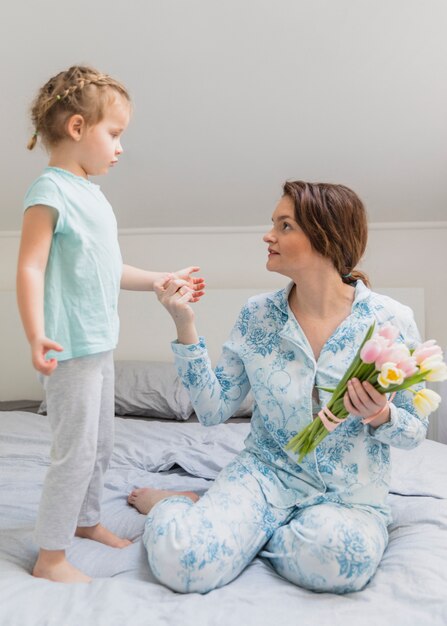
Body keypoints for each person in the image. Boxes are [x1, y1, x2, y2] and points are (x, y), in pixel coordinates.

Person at [128, 180, 428, 594]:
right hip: (263, 476)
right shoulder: (257, 316)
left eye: (284, 226)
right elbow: (214, 411)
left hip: (347, 493)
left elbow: (416, 431)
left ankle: (234, 527)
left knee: (343, 564)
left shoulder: (391, 320)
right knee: (183, 562)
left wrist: (380, 415)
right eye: (273, 224)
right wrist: (184, 323)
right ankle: (178, 507)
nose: (268, 235)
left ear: (326, 236)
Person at [16, 65, 204, 584]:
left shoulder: (94, 198)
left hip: (99, 346)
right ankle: (50, 556)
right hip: (70, 350)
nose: (120, 148)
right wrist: (36, 333)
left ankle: (85, 521)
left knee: (100, 446)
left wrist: (161, 278)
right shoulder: (48, 191)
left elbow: (110, 268)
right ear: (78, 128)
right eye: (114, 134)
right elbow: (29, 267)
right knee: (73, 452)